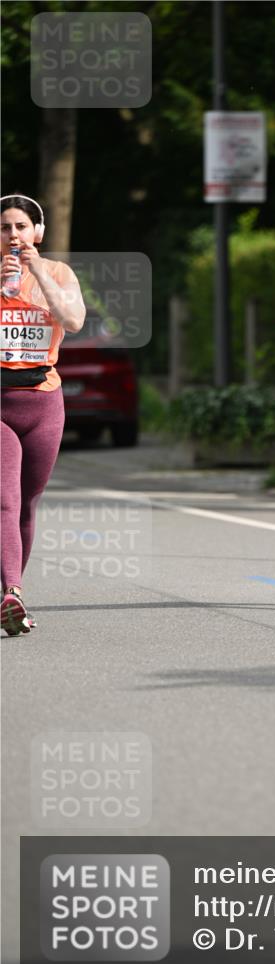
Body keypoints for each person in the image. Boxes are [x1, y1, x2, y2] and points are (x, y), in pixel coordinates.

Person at [1, 194, 86, 635]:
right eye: (4, 228)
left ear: (38, 233)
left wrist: (37, 273)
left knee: (26, 506)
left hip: (43, 400)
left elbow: (73, 320)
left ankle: (10, 594)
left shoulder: (57, 272)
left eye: (20, 226)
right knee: (4, 498)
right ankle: (12, 591)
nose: (12, 235)